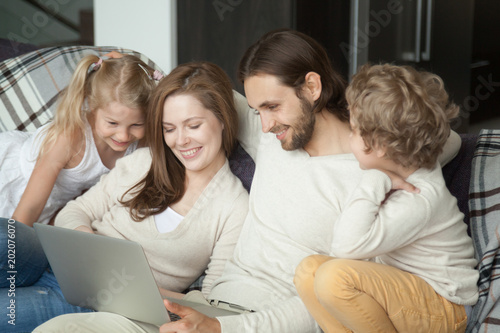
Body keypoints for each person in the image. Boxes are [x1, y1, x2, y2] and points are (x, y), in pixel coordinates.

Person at [35, 29, 462, 333]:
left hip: (260, 319)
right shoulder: (274, 133)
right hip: (202, 303)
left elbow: (331, 306)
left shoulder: (377, 177)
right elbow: (193, 94)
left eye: (273, 106)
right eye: (257, 109)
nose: (264, 122)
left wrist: (388, 134)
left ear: (312, 86)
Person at [4, 61, 249, 332]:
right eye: (169, 129)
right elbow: (73, 212)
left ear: (223, 119)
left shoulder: (233, 207)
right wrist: (89, 242)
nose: (180, 141)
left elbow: (212, 303)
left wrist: (145, 290)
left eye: (192, 126)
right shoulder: (144, 162)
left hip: (99, 304)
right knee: (6, 237)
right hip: (56, 261)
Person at [293, 63, 479, 333]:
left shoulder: (419, 198)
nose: (348, 135)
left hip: (446, 307)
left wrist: (375, 178)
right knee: (308, 271)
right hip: (407, 292)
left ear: (380, 145)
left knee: (334, 278)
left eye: (354, 130)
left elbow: (345, 247)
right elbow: (451, 140)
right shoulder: (413, 158)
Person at [0, 54, 158, 290]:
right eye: (112, 123)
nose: (124, 136)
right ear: (92, 106)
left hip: (52, 203)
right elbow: (28, 210)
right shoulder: (71, 136)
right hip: (13, 183)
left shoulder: (139, 147)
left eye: (136, 125)